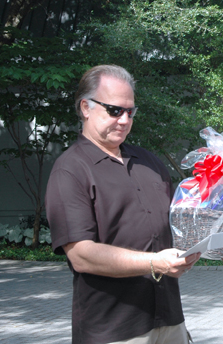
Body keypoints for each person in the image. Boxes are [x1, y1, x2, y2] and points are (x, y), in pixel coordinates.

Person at [45, 64, 201, 344]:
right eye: (115, 110)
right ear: (86, 107)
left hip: (170, 321)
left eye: (131, 111)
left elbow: (178, 224)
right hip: (114, 331)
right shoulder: (70, 170)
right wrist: (154, 263)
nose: (125, 120)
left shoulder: (149, 162)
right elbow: (81, 255)